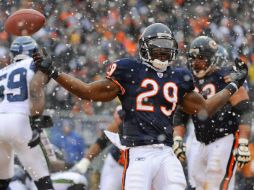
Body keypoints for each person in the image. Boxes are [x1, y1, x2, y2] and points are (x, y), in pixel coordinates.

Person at [32, 23, 248, 190]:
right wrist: (55, 73)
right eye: (157, 51)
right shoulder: (129, 70)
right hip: (138, 153)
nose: (162, 56)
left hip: (166, 153)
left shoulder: (178, 76)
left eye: (166, 51)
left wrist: (233, 84)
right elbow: (88, 91)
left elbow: (205, 108)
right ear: (145, 49)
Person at [173, 38, 251, 190]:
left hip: (224, 138)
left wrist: (243, 142)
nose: (196, 62)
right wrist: (177, 138)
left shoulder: (226, 76)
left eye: (201, 58)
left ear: (212, 59)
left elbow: (245, 110)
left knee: (217, 183)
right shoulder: (189, 79)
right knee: (196, 183)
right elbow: (180, 112)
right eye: (193, 58)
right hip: (198, 139)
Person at [0, 36, 54, 190]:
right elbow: (35, 88)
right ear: (34, 52)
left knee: (2, 181)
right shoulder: (33, 64)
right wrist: (36, 121)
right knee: (42, 179)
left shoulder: (2, 71)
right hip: (19, 121)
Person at [72, 105, 124, 190]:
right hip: (117, 162)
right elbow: (103, 140)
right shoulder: (126, 113)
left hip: (140, 164)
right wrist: (86, 160)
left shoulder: (149, 114)